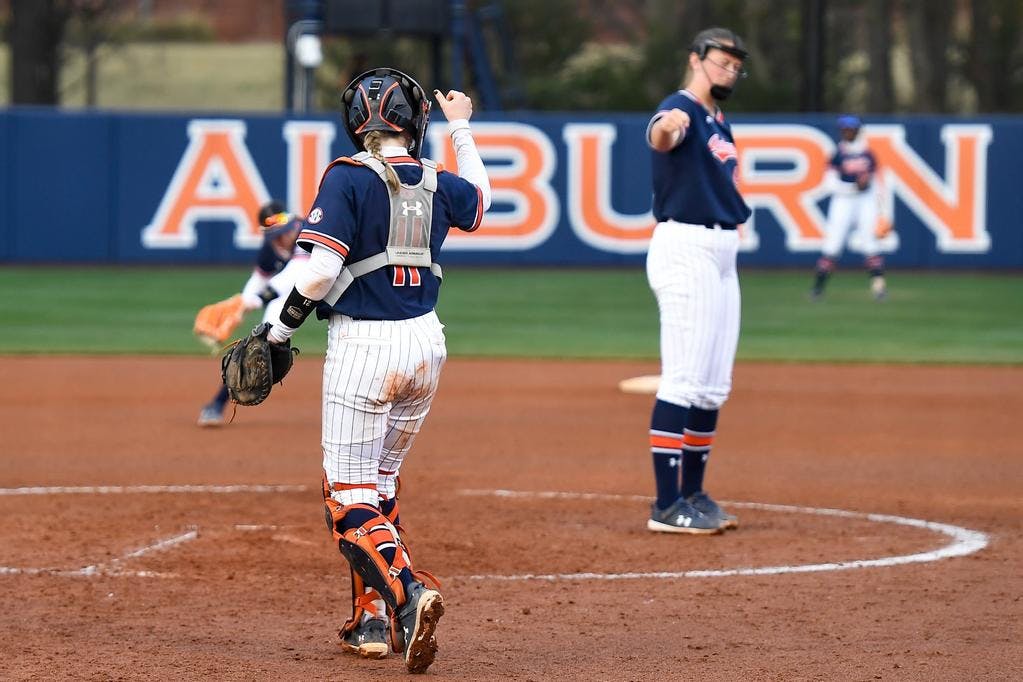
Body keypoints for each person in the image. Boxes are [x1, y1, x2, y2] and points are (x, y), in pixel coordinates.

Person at [262, 67, 490, 673]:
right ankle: (368, 622)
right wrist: (461, 128)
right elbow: (481, 203)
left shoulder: (346, 176)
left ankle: (408, 596)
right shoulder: (437, 179)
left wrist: (277, 331)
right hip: (426, 344)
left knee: (348, 499)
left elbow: (318, 271)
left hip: (365, 347)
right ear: (416, 121)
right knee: (380, 485)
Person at [643, 27, 750, 535]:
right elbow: (661, 134)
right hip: (687, 247)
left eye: (735, 66)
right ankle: (667, 504)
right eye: (721, 62)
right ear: (695, 60)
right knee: (684, 378)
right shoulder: (680, 107)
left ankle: (694, 493)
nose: (728, 71)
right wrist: (668, 126)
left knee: (712, 385)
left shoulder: (718, 120)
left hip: (722, 251)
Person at [196, 201, 307, 426]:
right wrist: (241, 305)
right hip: (295, 294)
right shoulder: (270, 248)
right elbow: (259, 280)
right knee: (259, 344)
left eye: (283, 232)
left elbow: (294, 275)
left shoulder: (308, 232)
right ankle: (217, 404)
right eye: (275, 235)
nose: (281, 238)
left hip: (338, 289)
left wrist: (255, 301)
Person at [809, 115, 888, 301]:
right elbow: (830, 184)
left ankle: (879, 288)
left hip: (865, 201)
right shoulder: (838, 154)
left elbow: (875, 184)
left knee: (870, 244)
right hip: (843, 201)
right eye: (844, 129)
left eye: (851, 129)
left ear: (858, 130)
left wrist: (882, 211)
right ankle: (818, 289)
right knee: (833, 245)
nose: (847, 132)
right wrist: (853, 187)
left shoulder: (868, 154)